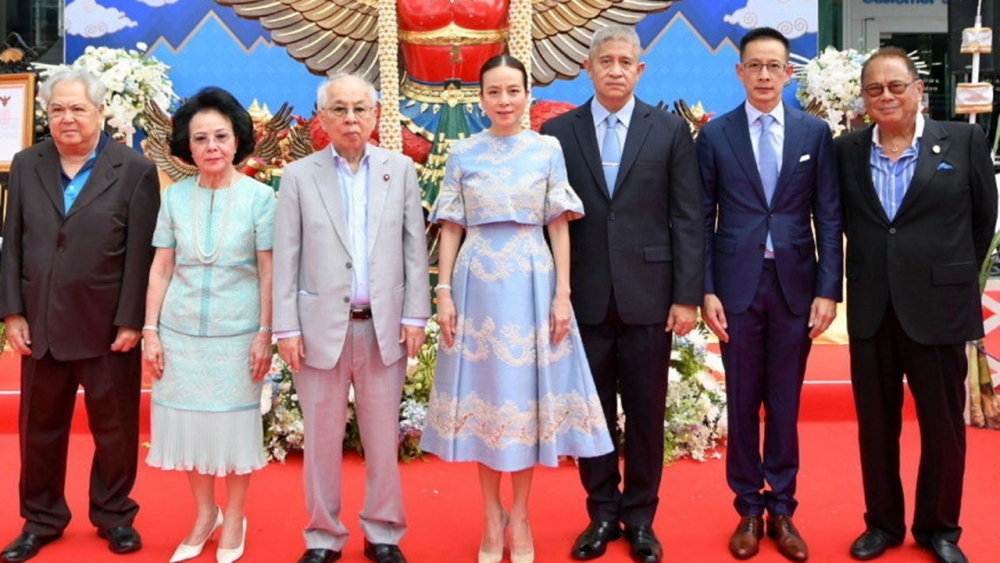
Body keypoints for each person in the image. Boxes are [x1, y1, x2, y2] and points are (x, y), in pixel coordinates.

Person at [419, 54, 615, 563]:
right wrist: (443, 292)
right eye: (494, 92)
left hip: (532, 278)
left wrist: (562, 293)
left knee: (524, 401)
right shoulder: (463, 151)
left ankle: (521, 516)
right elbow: (451, 226)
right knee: (486, 400)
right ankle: (492, 517)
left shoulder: (547, 149)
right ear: (481, 98)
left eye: (513, 91)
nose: (503, 101)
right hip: (476, 282)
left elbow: (559, 224)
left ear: (527, 95)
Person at [540, 25, 704, 563]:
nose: (615, 69)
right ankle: (601, 512)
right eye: (605, 61)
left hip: (650, 297)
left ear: (640, 70)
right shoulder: (558, 133)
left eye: (624, 61)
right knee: (591, 413)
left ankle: (641, 519)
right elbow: (547, 219)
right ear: (588, 68)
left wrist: (686, 296)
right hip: (582, 296)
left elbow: (688, 217)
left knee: (645, 411)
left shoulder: (670, 130)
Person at [836, 47, 997, 563]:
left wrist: (948, 274)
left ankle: (939, 529)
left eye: (896, 86)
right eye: (874, 89)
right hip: (872, 309)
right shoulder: (846, 150)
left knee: (943, 427)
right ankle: (882, 524)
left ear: (918, 89)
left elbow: (983, 220)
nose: (886, 96)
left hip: (940, 308)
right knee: (875, 427)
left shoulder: (963, 141)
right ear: (863, 98)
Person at [0, 67, 160, 563]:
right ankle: (41, 519)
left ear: (100, 111)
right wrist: (12, 313)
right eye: (57, 109)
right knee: (39, 430)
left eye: (77, 108)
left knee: (115, 431)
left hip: (108, 327)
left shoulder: (134, 169)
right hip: (41, 325)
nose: (67, 118)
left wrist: (132, 319)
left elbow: (141, 254)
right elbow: (13, 243)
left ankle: (114, 516)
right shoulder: (26, 164)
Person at [272, 73, 431, 563]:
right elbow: (286, 255)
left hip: (384, 328)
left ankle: (383, 531)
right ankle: (323, 535)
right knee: (321, 440)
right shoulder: (299, 176)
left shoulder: (399, 170)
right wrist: (286, 327)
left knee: (383, 439)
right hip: (319, 328)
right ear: (322, 118)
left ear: (376, 115)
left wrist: (416, 315)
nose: (351, 119)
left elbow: (414, 249)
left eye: (360, 108)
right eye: (339, 109)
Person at [697, 27, 842, 563]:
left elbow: (829, 215)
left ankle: (782, 507)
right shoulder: (715, 135)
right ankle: (748, 510)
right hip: (735, 286)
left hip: (795, 287)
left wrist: (828, 290)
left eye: (773, 66)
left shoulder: (813, 133)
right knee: (741, 400)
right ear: (739, 72)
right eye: (754, 66)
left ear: (788, 73)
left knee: (784, 401)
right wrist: (706, 288)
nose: (763, 75)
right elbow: (700, 218)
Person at [141, 87, 276, 563]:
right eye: (200, 138)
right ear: (188, 145)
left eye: (221, 136)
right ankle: (205, 514)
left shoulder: (261, 198)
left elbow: (268, 271)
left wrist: (265, 333)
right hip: (179, 335)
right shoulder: (174, 197)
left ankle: (234, 516)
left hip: (238, 334)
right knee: (190, 427)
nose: (212, 146)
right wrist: (151, 330)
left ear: (238, 140)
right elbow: (161, 267)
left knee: (234, 430)